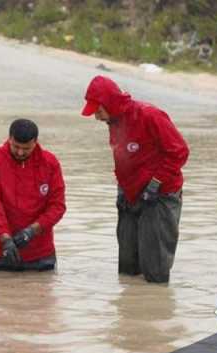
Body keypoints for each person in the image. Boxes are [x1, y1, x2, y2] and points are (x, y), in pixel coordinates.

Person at [81, 75, 189, 283]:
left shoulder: (149, 115)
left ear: (109, 103)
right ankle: (130, 311)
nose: (96, 117)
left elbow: (180, 152)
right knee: (127, 268)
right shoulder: (114, 121)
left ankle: (156, 310)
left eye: (98, 111)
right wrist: (122, 189)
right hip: (131, 195)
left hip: (160, 196)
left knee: (154, 270)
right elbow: (125, 160)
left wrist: (155, 184)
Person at [0, 118, 66, 271]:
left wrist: (32, 231)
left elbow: (57, 206)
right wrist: (5, 237)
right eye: (15, 146)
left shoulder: (50, 163)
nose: (20, 152)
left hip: (40, 254)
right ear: (9, 138)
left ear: (35, 142)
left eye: (26, 148)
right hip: (0, 251)